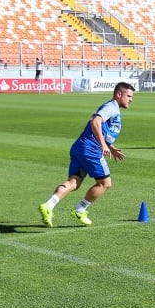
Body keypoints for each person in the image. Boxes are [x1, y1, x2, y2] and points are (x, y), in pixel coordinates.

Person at [38, 82, 135, 227]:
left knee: (73, 182)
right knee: (105, 183)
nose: (131, 99)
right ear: (118, 94)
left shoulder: (112, 108)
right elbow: (95, 122)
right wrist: (102, 145)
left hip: (80, 147)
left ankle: (48, 206)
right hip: (91, 149)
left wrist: (111, 147)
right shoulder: (111, 107)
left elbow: (102, 130)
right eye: (128, 96)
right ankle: (80, 210)